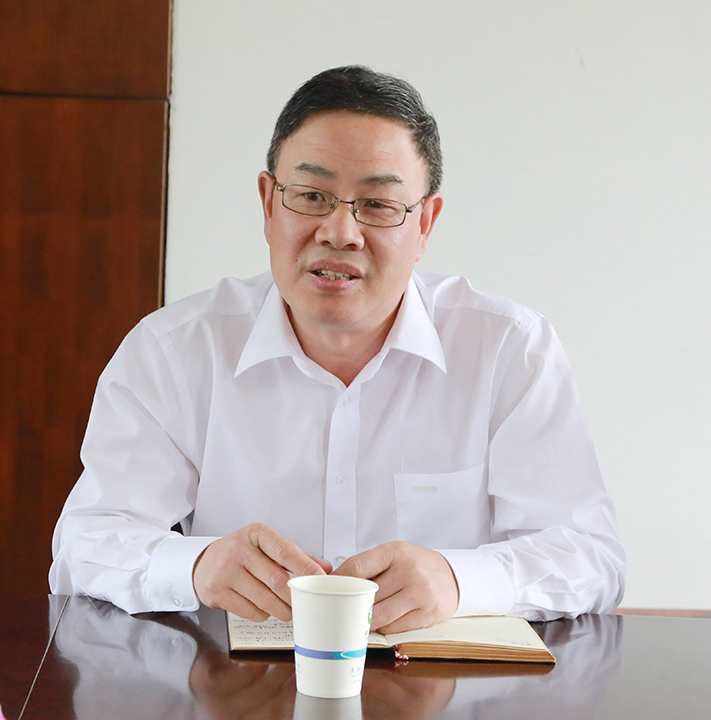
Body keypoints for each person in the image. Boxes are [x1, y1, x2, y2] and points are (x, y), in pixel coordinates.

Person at [50, 65, 626, 632]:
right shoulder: (174, 351)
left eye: (377, 205)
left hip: (438, 681)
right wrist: (197, 566)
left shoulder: (507, 349)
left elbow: (590, 557)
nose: (340, 233)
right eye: (311, 196)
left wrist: (458, 579)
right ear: (268, 204)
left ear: (425, 223)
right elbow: (86, 544)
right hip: (237, 680)